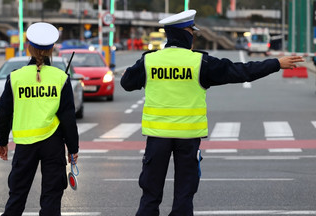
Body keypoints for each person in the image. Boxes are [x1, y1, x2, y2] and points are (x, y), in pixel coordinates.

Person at [120, 10, 304, 216]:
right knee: (183, 197)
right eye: (192, 31)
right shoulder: (201, 63)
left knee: (150, 197)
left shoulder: (149, 61)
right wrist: (276, 63)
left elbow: (126, 83)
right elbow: (241, 71)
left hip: (157, 139)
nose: (194, 35)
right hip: (188, 139)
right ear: (184, 34)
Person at [0, 22, 79, 216]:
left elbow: (4, 113)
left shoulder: (15, 77)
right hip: (53, 144)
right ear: (52, 50)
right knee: (51, 196)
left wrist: (2, 141)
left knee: (17, 196)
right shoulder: (60, 78)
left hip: (25, 146)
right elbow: (68, 118)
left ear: (28, 47)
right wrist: (73, 149)